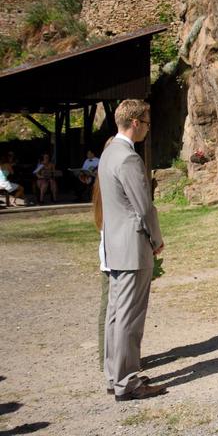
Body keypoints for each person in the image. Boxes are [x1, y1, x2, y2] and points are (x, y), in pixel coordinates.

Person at [98, 99, 166, 401]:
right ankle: (127, 381)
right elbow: (144, 206)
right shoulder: (128, 158)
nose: (148, 129)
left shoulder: (108, 152)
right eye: (147, 123)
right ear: (136, 122)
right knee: (130, 316)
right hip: (131, 245)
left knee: (115, 313)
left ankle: (114, 375)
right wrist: (156, 239)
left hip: (114, 244)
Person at [92, 138, 114, 369]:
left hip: (112, 255)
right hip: (111, 258)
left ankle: (111, 356)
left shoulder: (103, 182)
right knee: (108, 307)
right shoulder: (106, 184)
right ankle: (105, 358)